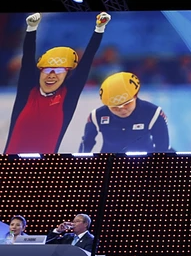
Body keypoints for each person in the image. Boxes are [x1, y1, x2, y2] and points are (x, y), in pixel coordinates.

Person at [4, 12, 112, 154]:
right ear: (40, 73)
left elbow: (86, 62)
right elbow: (27, 59)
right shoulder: (27, 93)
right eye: (47, 70)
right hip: (9, 168)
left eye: (59, 71)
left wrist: (99, 29)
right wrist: (31, 29)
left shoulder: (68, 97)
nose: (52, 76)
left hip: (46, 170)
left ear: (67, 74)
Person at [79, 72, 171, 153]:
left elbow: (162, 146)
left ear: (135, 95)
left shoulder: (153, 113)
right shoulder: (96, 116)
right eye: (115, 107)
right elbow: (86, 143)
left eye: (126, 104)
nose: (122, 109)